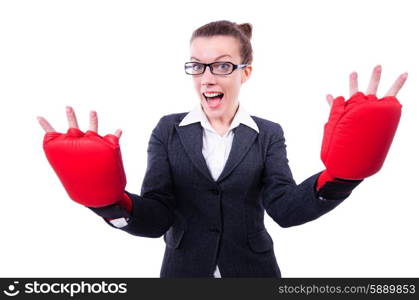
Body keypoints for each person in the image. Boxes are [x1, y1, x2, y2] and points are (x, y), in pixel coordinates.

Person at [37, 20, 407, 278]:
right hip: (183, 275)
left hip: (254, 273)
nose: (208, 76)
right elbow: (156, 217)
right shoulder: (168, 130)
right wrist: (105, 201)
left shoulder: (268, 133)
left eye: (223, 65)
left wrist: (343, 175)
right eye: (198, 66)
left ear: (245, 72)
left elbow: (285, 209)